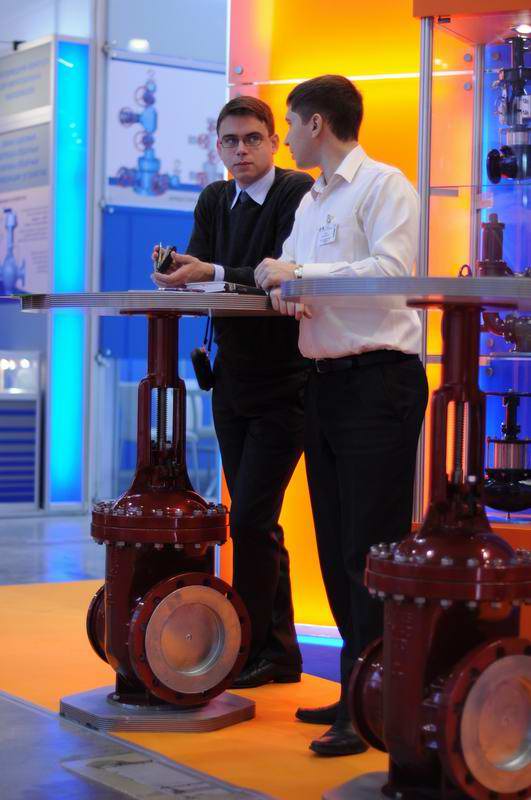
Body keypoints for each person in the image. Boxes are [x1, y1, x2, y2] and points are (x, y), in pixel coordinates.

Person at [255, 75, 429, 755]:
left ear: (317, 124)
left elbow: (391, 271)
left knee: (370, 545)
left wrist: (298, 277)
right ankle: (357, 685)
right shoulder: (311, 199)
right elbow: (297, 274)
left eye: (288, 124)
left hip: (379, 381)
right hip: (324, 381)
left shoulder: (386, 185)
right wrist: (279, 282)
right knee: (334, 545)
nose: (285, 138)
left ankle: (378, 701)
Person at [151, 97, 313, 688]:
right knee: (253, 521)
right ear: (217, 146)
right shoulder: (216, 198)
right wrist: (177, 272)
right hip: (232, 379)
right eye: (229, 141)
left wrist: (211, 272)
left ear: (274, 142)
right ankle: (278, 651)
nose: (240, 151)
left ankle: (248, 648)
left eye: (251, 139)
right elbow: (202, 270)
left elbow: (279, 274)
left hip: (287, 381)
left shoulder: (297, 193)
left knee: (250, 517)